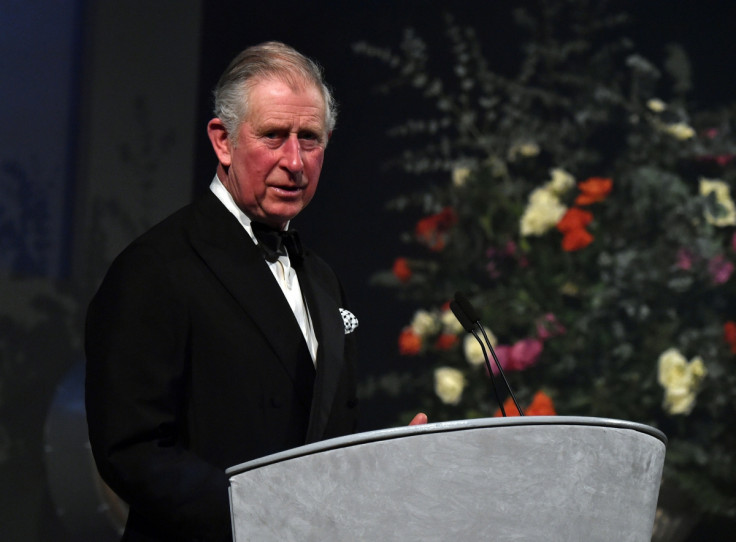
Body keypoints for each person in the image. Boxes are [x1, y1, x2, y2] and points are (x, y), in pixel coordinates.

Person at [86, 41, 425, 542]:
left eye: (309, 138)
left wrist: (383, 466)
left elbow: (319, 435)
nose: (295, 160)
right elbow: (132, 451)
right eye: (273, 136)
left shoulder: (322, 277)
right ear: (223, 142)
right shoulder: (155, 268)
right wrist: (264, 512)